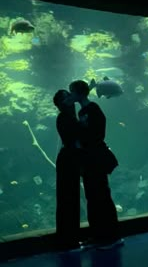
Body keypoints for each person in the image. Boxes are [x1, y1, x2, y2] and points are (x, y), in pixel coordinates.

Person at [69, 80, 124, 250]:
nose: (71, 96)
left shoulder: (92, 109)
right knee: (93, 198)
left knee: (101, 197)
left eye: (72, 92)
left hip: (95, 160)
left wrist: (82, 135)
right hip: (90, 159)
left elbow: (97, 133)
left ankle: (110, 237)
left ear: (78, 93)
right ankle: (99, 235)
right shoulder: (84, 110)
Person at [53, 89, 83, 247]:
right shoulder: (65, 118)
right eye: (66, 98)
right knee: (67, 199)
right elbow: (75, 138)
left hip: (70, 159)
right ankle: (67, 240)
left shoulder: (69, 116)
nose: (70, 99)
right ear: (60, 104)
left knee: (71, 198)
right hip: (68, 160)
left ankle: (71, 238)